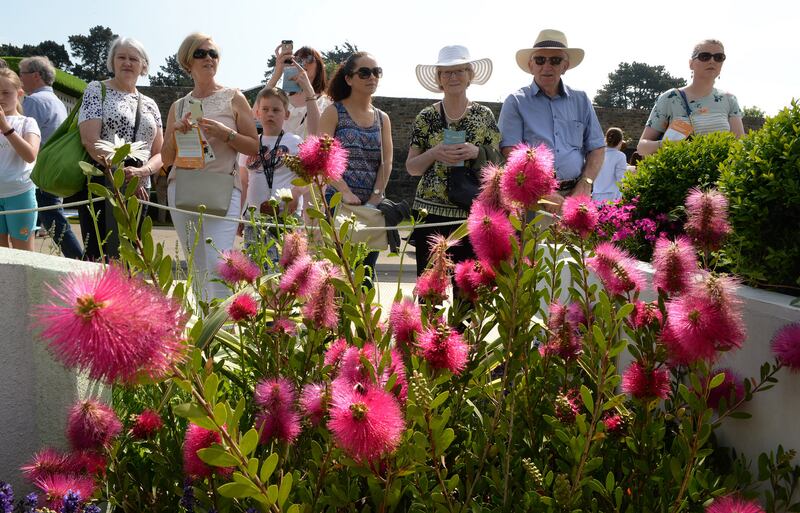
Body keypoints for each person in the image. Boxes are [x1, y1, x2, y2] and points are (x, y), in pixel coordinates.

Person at [161, 33, 258, 301]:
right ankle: (205, 334)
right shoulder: (179, 106)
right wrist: (175, 135)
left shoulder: (234, 97)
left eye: (213, 54)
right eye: (201, 53)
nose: (209, 58)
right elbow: (166, 158)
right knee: (197, 266)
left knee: (219, 263)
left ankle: (222, 328)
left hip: (222, 189)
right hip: (182, 188)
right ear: (187, 61)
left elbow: (254, 147)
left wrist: (227, 133)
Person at [406, 44, 499, 277]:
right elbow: (412, 167)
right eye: (446, 72)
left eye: (459, 70)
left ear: (470, 75)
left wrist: (476, 152)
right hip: (430, 213)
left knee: (468, 291)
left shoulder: (484, 115)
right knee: (429, 292)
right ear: (439, 79)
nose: (453, 76)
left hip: (470, 212)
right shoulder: (426, 117)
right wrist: (434, 153)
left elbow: (499, 162)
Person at [77, 37, 164, 261]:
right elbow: (90, 140)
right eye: (121, 57)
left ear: (143, 65)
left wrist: (140, 174)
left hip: (139, 190)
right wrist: (122, 174)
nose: (127, 63)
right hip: (104, 186)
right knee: (100, 257)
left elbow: (160, 153)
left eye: (133, 58)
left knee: (131, 258)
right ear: (112, 61)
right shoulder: (97, 90)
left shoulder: (151, 104)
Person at [498, 29, 604, 211]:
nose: (547, 66)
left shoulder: (582, 100)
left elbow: (596, 148)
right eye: (540, 60)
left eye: (555, 60)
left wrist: (585, 183)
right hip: (533, 200)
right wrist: (542, 192)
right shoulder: (516, 102)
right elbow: (510, 152)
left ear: (565, 66)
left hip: (577, 197)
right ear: (531, 65)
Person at [319, 51, 392, 286]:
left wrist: (375, 198)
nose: (372, 77)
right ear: (349, 78)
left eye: (376, 72)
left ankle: (365, 325)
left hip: (370, 208)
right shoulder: (333, 112)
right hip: (337, 204)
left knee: (365, 276)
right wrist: (344, 191)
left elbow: (386, 162)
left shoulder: (382, 118)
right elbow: (323, 159)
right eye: (364, 72)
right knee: (336, 276)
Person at [19, 56, 83, 259]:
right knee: (53, 217)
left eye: (22, 74)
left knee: (52, 219)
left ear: (36, 76)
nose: (20, 79)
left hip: (38, 170)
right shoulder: (55, 101)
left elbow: (20, 135)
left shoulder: (34, 102)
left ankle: (79, 259)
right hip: (53, 167)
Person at [637, 39, 744, 157]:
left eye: (718, 57)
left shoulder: (729, 100)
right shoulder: (670, 98)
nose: (712, 61)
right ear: (691, 63)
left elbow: (739, 146)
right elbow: (642, 147)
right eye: (705, 56)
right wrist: (674, 145)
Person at [239, 87, 305, 264]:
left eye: (276, 110)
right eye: (265, 110)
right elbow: (243, 183)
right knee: (257, 268)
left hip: (286, 217)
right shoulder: (250, 144)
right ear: (257, 113)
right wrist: (239, 215)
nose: (270, 114)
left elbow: (307, 176)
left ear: (286, 114)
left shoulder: (294, 142)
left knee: (287, 270)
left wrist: (296, 194)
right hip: (255, 218)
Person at [0, 68, 41, 251]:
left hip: (20, 194)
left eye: (6, 93)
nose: (0, 98)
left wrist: (5, 127)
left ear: (19, 94)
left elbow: (30, 154)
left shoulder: (27, 122)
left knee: (24, 255)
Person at [266, 44, 330, 137]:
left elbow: (319, 136)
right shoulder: (281, 98)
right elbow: (255, 116)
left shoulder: (326, 102)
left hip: (307, 151)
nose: (303, 63)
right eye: (297, 59)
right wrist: (277, 73)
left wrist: (308, 89)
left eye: (309, 58)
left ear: (319, 66)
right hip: (277, 150)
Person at [592, 127, 628, 202]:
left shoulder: (597, 154)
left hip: (596, 194)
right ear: (621, 141)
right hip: (613, 196)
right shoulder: (620, 156)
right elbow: (621, 179)